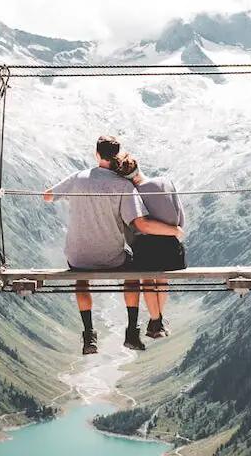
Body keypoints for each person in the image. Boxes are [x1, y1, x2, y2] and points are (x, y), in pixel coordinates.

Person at [43, 136, 184, 356]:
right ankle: (131, 332)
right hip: (112, 257)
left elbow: (48, 196)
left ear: (96, 153)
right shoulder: (123, 185)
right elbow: (141, 223)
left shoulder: (78, 178)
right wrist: (173, 230)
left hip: (78, 256)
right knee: (133, 271)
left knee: (80, 277)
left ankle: (89, 334)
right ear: (117, 154)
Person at [114, 154, 186, 339]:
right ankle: (157, 322)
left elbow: (135, 227)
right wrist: (173, 231)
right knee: (161, 279)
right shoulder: (166, 182)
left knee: (147, 278)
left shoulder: (132, 194)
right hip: (173, 251)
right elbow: (181, 219)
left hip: (146, 250)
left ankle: (156, 321)